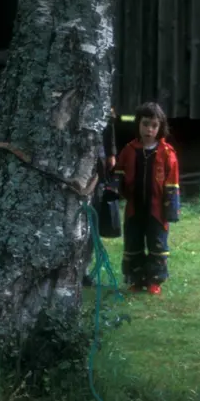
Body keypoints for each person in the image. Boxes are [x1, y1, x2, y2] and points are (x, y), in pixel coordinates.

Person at [112, 103, 181, 296]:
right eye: (145, 124)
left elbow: (173, 182)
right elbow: (119, 172)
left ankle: (154, 281)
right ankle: (135, 279)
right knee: (133, 243)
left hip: (157, 210)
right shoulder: (129, 150)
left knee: (157, 245)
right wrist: (114, 190)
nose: (149, 129)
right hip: (134, 208)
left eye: (153, 125)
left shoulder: (167, 153)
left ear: (160, 128)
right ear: (138, 125)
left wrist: (172, 209)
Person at [84, 107, 119, 287]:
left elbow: (109, 119)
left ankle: (84, 269)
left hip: (97, 174)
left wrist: (111, 151)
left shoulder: (101, 104)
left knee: (93, 223)